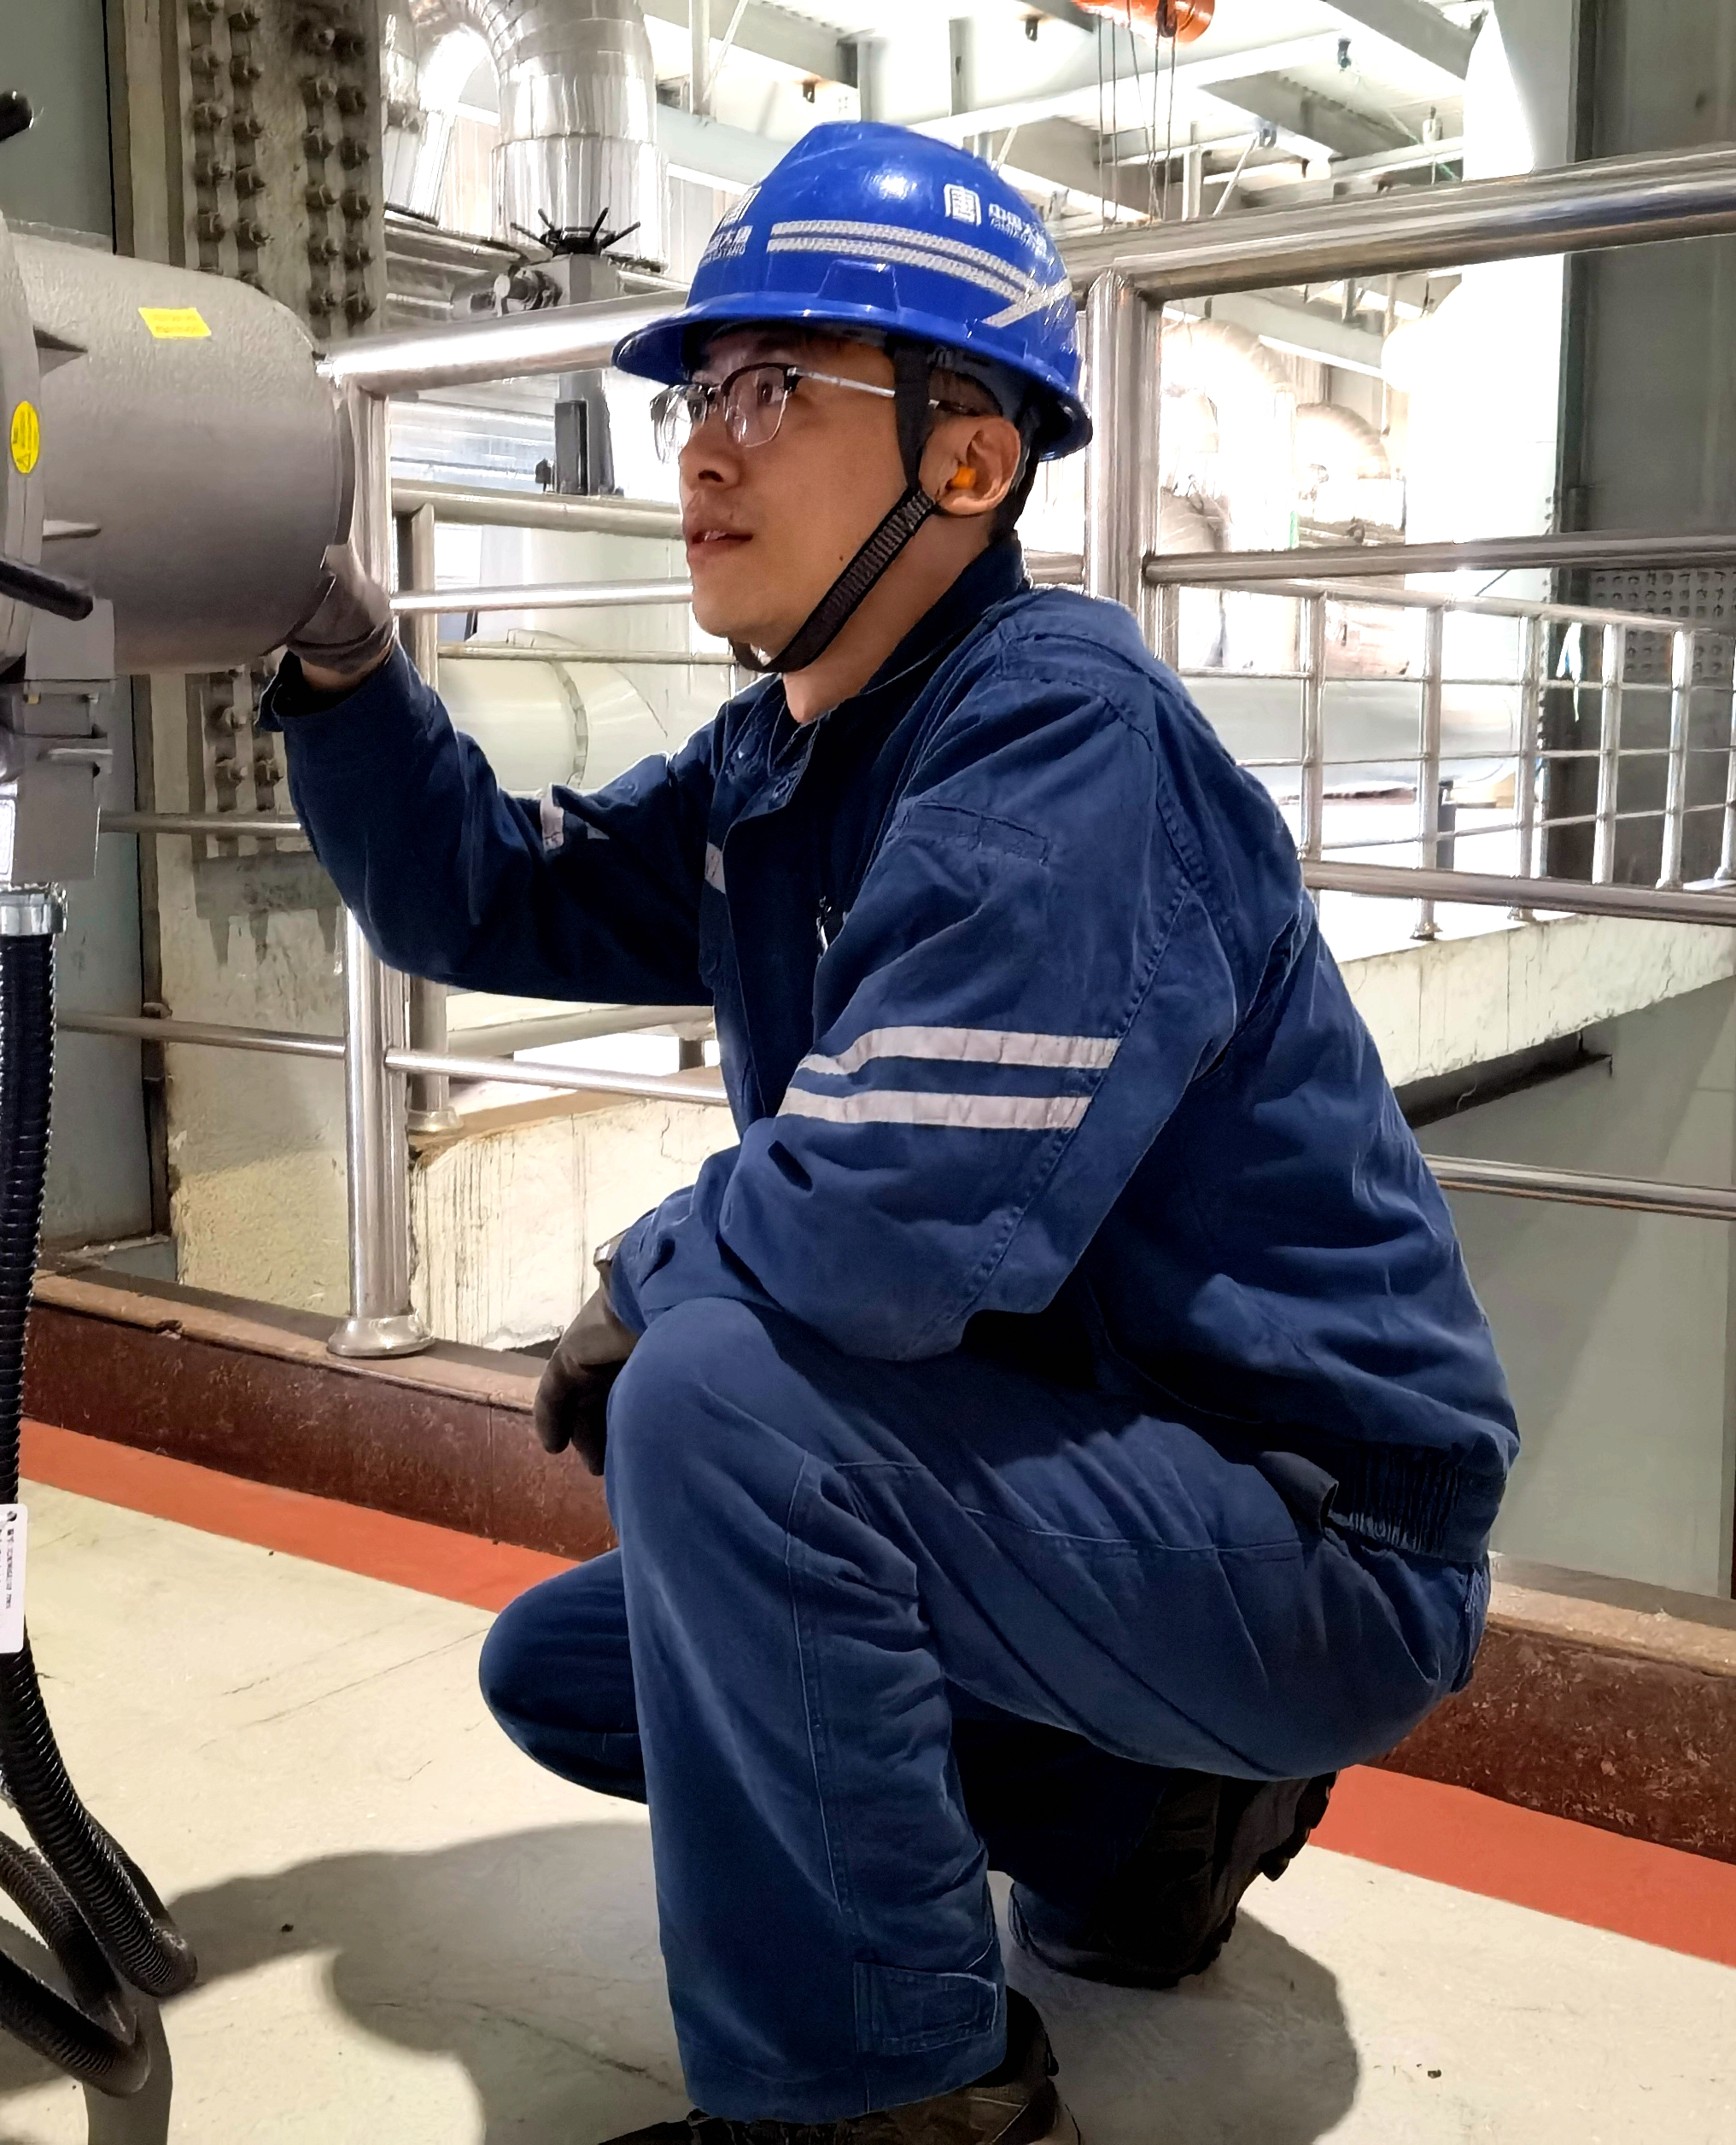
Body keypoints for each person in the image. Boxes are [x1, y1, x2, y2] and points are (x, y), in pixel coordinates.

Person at [269, 124, 1516, 2145]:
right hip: (1092, 1476)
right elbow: (479, 895)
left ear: (967, 458)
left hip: (1303, 1527)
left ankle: (890, 2097)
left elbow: (878, 1221)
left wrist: (634, 1280)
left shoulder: (1057, 732)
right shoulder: (784, 763)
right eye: (696, 392)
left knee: (720, 1400)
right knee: (575, 1666)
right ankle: (1147, 1813)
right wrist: (338, 658)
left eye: (774, 387)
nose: (701, 449)